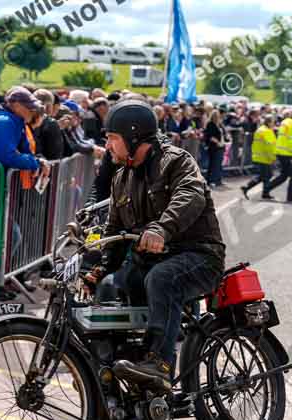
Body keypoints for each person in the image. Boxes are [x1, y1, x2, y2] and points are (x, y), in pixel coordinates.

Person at [84, 100, 225, 391]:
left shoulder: (176, 161)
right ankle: (120, 367)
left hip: (198, 255)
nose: (108, 146)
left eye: (112, 138)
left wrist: (162, 227)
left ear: (134, 137)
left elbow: (190, 195)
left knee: (163, 279)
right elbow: (114, 231)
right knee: (113, 286)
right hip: (151, 261)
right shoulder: (121, 177)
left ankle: (159, 363)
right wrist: (97, 270)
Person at [0, 86, 50, 300]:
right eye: (29, 107)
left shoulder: (14, 122)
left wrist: (35, 160)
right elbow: (6, 155)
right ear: (16, 106)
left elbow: (24, 152)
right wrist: (34, 162)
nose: (32, 112)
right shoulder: (5, 122)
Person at [267, 107, 292, 202]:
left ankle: (266, 189)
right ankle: (290, 197)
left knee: (284, 176)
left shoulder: (285, 122)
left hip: (281, 152)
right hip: (287, 154)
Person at [240, 114, 278, 200]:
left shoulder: (260, 130)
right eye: (273, 122)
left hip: (259, 156)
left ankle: (262, 192)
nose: (274, 124)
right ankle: (249, 188)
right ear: (269, 122)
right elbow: (269, 146)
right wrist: (272, 158)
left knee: (265, 175)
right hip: (265, 157)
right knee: (266, 175)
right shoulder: (267, 131)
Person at [32, 89, 64, 161]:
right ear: (49, 106)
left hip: (33, 163)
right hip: (45, 166)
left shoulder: (25, 119)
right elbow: (55, 153)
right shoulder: (51, 122)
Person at [203, 110, 228, 187]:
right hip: (213, 147)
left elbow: (223, 134)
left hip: (221, 146)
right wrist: (217, 142)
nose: (218, 117)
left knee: (219, 164)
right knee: (213, 164)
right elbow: (210, 136)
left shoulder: (219, 124)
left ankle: (218, 180)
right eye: (216, 115)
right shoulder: (210, 124)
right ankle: (211, 181)